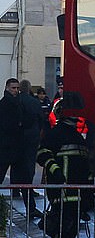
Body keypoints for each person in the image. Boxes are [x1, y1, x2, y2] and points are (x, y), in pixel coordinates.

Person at [36, 91, 93, 238]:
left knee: (71, 229)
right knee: (61, 228)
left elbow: (84, 165)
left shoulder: (77, 136)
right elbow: (42, 154)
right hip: (61, 191)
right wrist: (56, 172)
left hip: (76, 192)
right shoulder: (57, 133)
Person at [17, 79, 45, 220]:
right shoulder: (34, 102)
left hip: (17, 140)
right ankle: (29, 197)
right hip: (31, 139)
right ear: (29, 89)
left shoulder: (15, 101)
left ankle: (17, 189)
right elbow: (42, 120)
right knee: (28, 169)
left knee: (18, 167)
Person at [0, 78, 27, 202]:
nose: (16, 90)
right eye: (13, 88)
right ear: (7, 88)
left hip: (16, 146)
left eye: (17, 88)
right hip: (6, 146)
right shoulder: (5, 104)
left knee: (23, 180)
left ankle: (30, 207)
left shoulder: (18, 103)